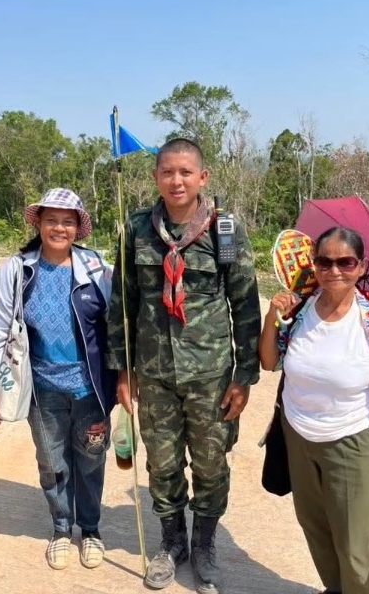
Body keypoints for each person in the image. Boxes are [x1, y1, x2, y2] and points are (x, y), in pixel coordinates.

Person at [107, 138, 261, 593]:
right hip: (154, 373)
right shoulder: (136, 229)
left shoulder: (225, 231)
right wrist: (123, 369)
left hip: (210, 374)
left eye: (186, 172)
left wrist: (244, 376)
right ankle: (172, 542)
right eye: (167, 172)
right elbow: (122, 303)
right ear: (156, 177)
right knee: (162, 463)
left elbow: (245, 303)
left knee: (211, 464)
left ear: (202, 178)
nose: (177, 181)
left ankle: (204, 543)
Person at [259, 226, 369, 594]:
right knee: (316, 528)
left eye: (345, 262)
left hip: (352, 443)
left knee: (355, 549)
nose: (334, 270)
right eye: (325, 262)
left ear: (361, 267)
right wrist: (272, 316)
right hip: (298, 437)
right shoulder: (300, 310)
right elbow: (269, 361)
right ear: (314, 264)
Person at [0, 188, 117, 571]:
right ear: (39, 223)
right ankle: (61, 530)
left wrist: (126, 377)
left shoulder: (97, 270)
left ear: (77, 228)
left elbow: (119, 326)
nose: (59, 228)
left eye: (67, 221)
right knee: (53, 464)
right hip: (43, 391)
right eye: (51, 220)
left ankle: (91, 530)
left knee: (91, 462)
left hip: (91, 392)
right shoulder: (19, 271)